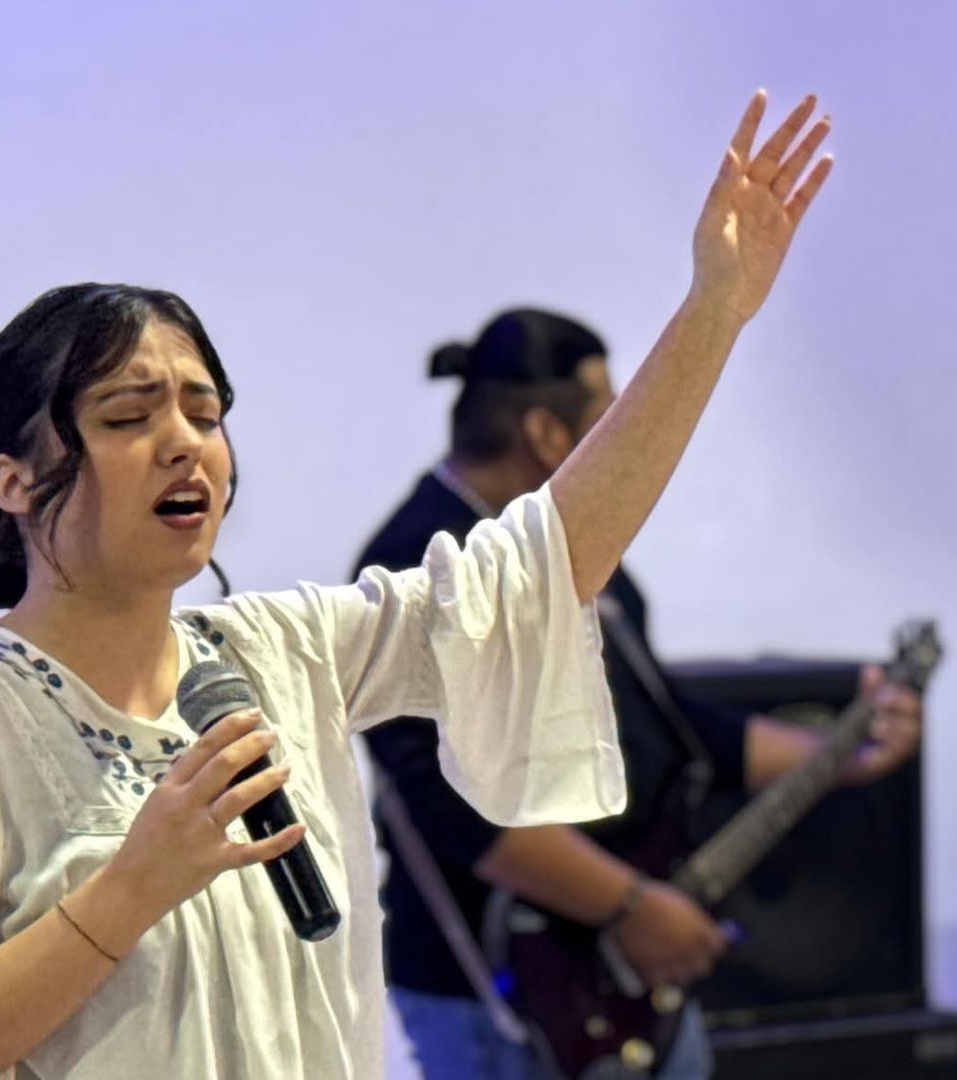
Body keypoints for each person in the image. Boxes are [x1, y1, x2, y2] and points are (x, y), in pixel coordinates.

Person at [0, 89, 836, 1079]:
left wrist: (713, 314)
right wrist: (124, 893)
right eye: (130, 416)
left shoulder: (279, 655)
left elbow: (543, 562)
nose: (185, 446)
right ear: (14, 480)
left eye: (205, 415)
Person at [358, 306, 923, 1079]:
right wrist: (631, 907)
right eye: (610, 415)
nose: (630, 436)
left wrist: (837, 752)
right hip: (500, 998)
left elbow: (661, 732)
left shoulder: (575, 550)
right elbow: (459, 809)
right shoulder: (416, 563)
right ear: (545, 433)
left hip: (623, 978)